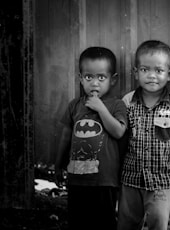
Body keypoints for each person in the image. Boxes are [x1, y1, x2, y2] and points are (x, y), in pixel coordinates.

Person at [55, 47, 127, 230]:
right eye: (89, 77)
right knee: (78, 222)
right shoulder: (75, 105)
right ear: (81, 78)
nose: (94, 83)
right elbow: (65, 137)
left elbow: (119, 131)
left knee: (104, 223)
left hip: (104, 180)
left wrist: (100, 108)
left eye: (101, 78)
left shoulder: (116, 105)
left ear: (113, 79)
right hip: (77, 178)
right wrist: (58, 164)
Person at [117, 40, 170, 230]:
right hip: (131, 177)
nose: (152, 76)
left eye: (159, 70)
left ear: (169, 74)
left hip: (162, 181)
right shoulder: (127, 102)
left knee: (159, 224)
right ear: (135, 72)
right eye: (145, 70)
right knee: (126, 223)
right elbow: (122, 139)